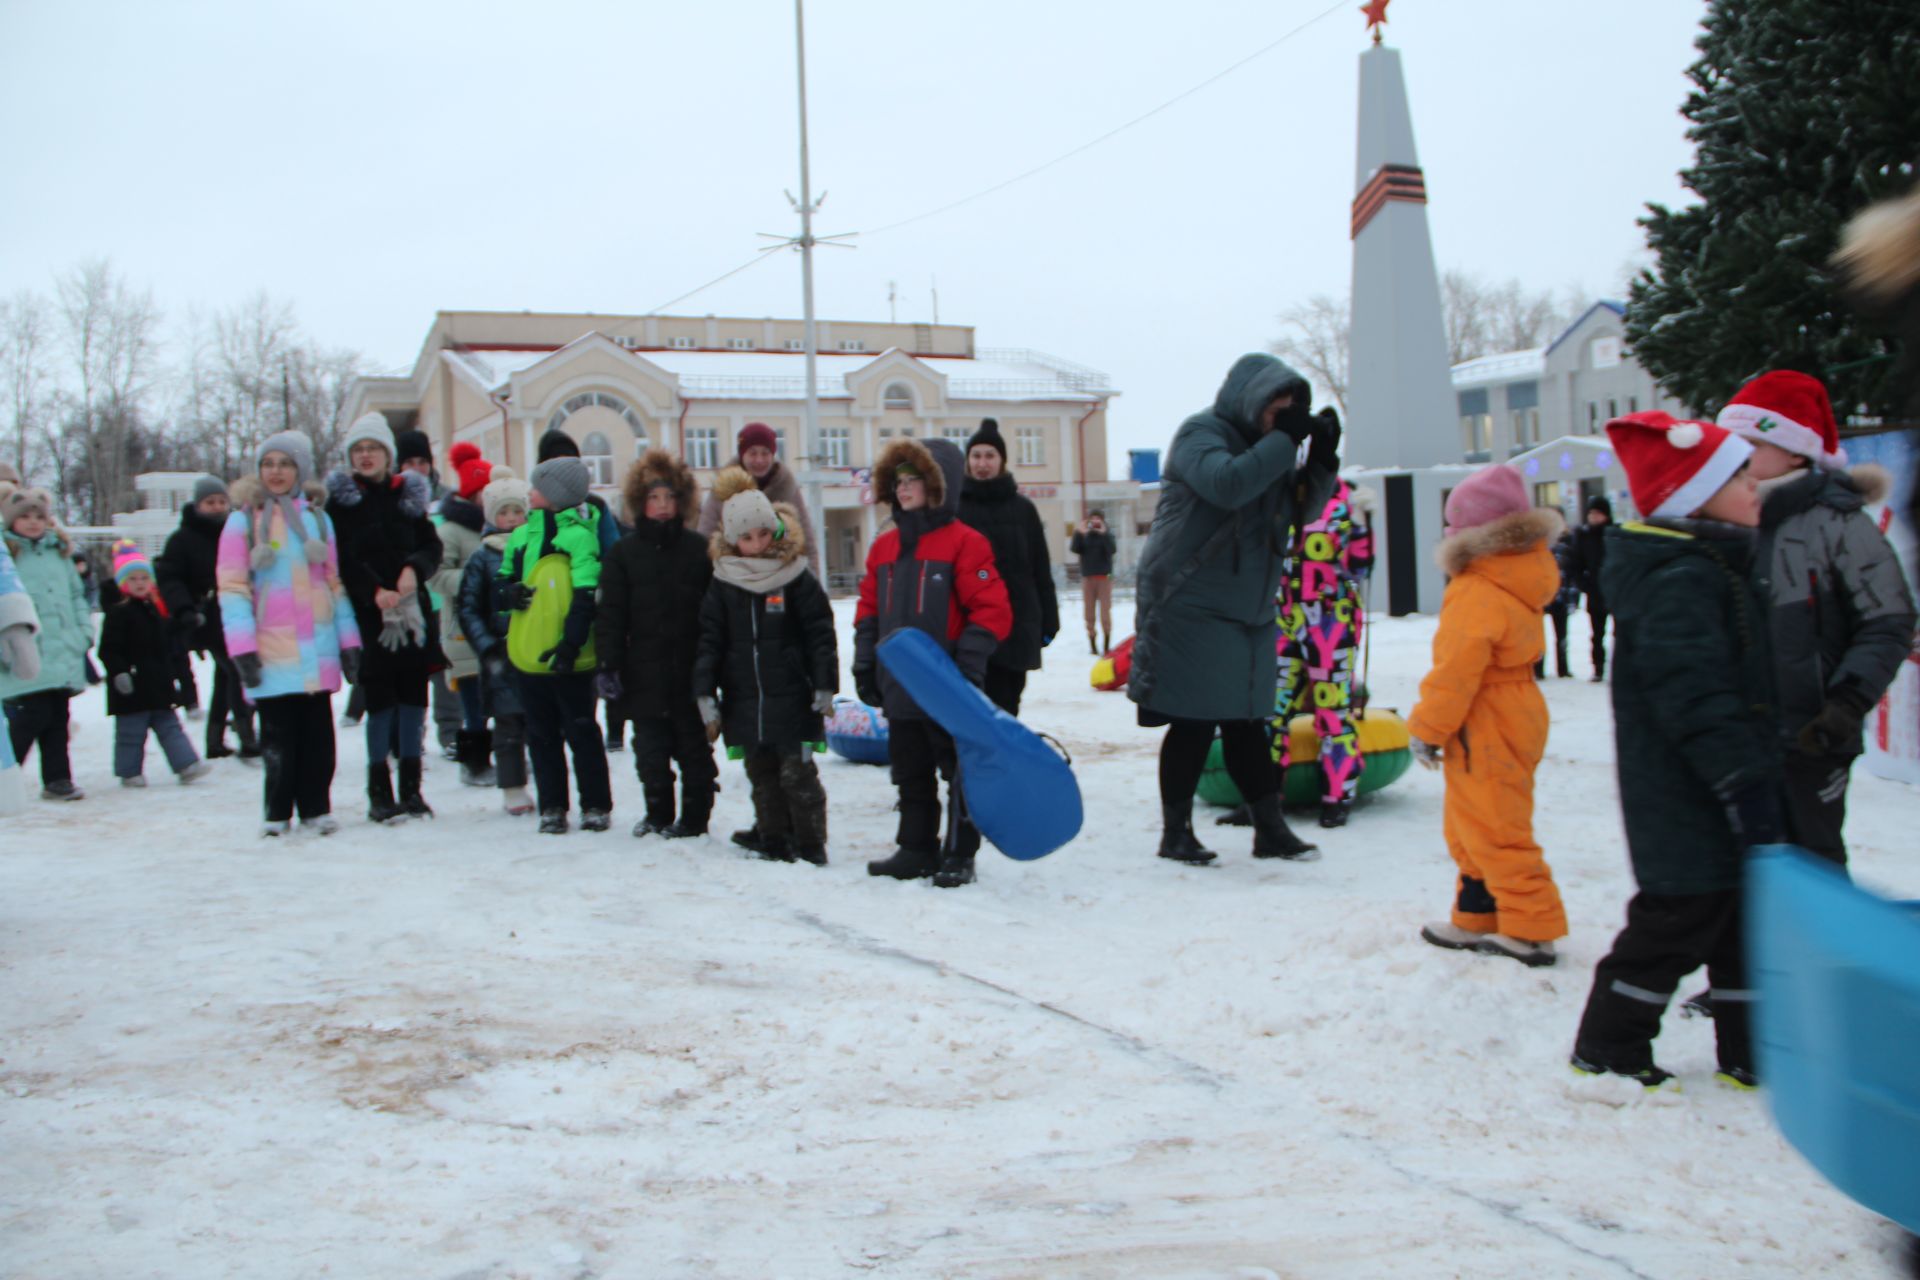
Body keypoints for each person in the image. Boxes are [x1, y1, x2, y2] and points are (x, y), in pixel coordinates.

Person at [1569, 411, 1780, 1089]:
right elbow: (1694, 698)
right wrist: (1742, 782)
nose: (1755, 489)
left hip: (1716, 786)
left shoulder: (1714, 563)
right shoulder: (1679, 579)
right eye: (1739, 477)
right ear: (1694, 495)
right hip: (1684, 793)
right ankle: (1609, 1045)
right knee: (1676, 921)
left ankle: (1754, 1049)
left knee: (1741, 923)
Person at [1127, 352, 1337, 866]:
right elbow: (1228, 484)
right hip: (1189, 599)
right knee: (1194, 720)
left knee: (1248, 720)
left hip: (1249, 607)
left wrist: (1323, 460)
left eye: (1292, 409)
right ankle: (1175, 834)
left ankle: (1270, 829)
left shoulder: (1274, 448)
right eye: (1276, 406)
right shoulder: (1202, 433)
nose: (1283, 417)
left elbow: (1300, 510)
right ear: (1251, 398)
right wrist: (1285, 440)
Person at [1715, 371, 1916, 870]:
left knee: (1814, 862)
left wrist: (1846, 703)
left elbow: (1889, 620)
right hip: (1741, 731)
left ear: (1796, 452)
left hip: (1813, 735)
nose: (1738, 456)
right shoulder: (1727, 517)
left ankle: (1826, 950)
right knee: (1744, 862)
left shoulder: (1839, 523)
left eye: (1752, 443)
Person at [1409, 465, 1568, 966]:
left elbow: (1456, 670)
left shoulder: (1478, 587)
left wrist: (1427, 729)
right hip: (1514, 705)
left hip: (1486, 713)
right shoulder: (1520, 574)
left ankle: (1531, 926)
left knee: (1496, 825)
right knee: (1473, 819)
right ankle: (1478, 913)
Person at [853, 437, 1011, 888]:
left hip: (948, 686)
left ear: (939, 486)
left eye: (914, 481)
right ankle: (916, 847)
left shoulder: (966, 543)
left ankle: (959, 853)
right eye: (898, 481)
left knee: (959, 770)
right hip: (901, 684)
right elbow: (869, 609)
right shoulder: (884, 546)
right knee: (909, 770)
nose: (903, 490)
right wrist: (866, 662)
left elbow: (992, 609)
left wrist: (970, 665)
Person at [218, 430, 363, 836]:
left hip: (316, 647)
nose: (276, 472)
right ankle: (277, 811)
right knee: (279, 738)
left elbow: (333, 583)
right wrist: (243, 647)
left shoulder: (318, 519)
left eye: (285, 463)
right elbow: (232, 587)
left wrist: (348, 640)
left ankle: (316, 807)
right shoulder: (242, 521)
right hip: (270, 647)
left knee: (318, 737)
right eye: (268, 463)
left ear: (299, 469)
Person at [694, 467, 839, 864]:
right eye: (746, 537)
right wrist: (704, 690)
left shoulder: (796, 577)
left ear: (775, 530)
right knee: (762, 776)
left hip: (794, 698)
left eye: (763, 533)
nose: (756, 544)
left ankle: (811, 844)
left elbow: (819, 633)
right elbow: (710, 640)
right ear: (732, 540)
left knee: (798, 775)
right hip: (746, 700)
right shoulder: (724, 583)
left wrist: (824, 684)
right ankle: (773, 839)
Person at [326, 412, 445, 824]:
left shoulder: (407, 496)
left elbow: (431, 546)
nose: (365, 456)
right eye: (358, 450)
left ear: (387, 454)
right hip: (370, 615)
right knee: (380, 701)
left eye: (372, 448)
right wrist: (373, 590)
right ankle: (379, 791)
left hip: (412, 613)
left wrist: (414, 569)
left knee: (414, 698)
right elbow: (340, 556)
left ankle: (412, 789)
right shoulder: (340, 504)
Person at [596, 449, 716, 840]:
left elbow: (715, 614)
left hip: (689, 671)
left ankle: (695, 819)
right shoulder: (623, 554)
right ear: (639, 503)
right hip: (642, 672)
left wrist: (714, 666)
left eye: (669, 497)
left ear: (682, 501)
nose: (662, 506)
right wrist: (609, 665)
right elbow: (611, 615)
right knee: (650, 752)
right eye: (653, 498)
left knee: (694, 751)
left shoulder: (699, 550)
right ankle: (658, 814)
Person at [498, 455, 612, 834]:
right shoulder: (521, 536)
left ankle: (595, 804)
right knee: (541, 735)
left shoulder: (580, 536)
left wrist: (571, 646)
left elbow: (585, 595)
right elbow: (500, 582)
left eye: (536, 488)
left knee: (582, 732)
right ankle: (552, 806)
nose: (529, 493)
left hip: (571, 658)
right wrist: (507, 593)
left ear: (554, 494)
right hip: (530, 653)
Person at [1272, 473, 1374, 830]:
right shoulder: (1276, 497)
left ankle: (1338, 796)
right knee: (1269, 713)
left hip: (1331, 621)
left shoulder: (1342, 502)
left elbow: (1362, 566)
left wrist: (1361, 526)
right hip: (1283, 618)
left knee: (1331, 711)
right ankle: (1265, 799)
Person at [956, 417, 1058, 715]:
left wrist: (1049, 620)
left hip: (1017, 626)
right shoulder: (956, 509)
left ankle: (1001, 763)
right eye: (976, 456)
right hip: (970, 630)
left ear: (1002, 461)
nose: (982, 463)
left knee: (1007, 708)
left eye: (990, 456)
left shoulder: (1023, 509)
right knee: (973, 711)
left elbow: (1040, 568)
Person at [156, 474, 259, 760]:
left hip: (236, 613)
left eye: (221, 501)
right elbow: (170, 577)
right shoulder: (182, 539)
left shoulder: (237, 531)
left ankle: (215, 739)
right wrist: (184, 609)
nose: (216, 507)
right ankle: (248, 736)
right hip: (206, 618)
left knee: (226, 676)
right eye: (210, 502)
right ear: (198, 504)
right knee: (238, 672)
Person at [0, 482, 92, 800]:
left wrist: (83, 632)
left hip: (62, 649)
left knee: (57, 716)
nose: (32, 522)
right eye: (24, 516)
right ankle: (5, 775)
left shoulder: (59, 553)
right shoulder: (6, 555)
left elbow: (77, 595)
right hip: (24, 652)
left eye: (38, 515)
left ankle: (58, 779)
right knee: (29, 714)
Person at [99, 540, 213, 788]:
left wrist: (187, 622)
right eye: (133, 579)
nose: (139, 583)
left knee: (170, 726)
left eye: (143, 578)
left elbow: (165, 639)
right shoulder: (118, 614)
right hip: (131, 685)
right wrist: (119, 672)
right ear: (122, 584)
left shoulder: (153, 610)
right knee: (131, 733)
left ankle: (186, 764)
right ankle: (129, 772)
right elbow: (108, 649)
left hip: (158, 683)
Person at [457, 469, 534, 816]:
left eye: (518, 512)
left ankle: (546, 781)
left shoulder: (538, 548)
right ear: (492, 516)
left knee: (541, 722)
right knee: (507, 725)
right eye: (504, 512)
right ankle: (513, 786)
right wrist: (486, 645)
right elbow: (468, 606)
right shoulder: (482, 556)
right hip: (500, 654)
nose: (511, 519)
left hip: (536, 649)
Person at [431, 442, 496, 787]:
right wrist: (476, 580)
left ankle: (505, 754)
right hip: (462, 627)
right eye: (484, 490)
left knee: (498, 694)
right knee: (472, 700)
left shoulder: (498, 525)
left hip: (496, 626)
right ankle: (474, 762)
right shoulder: (450, 531)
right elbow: (438, 575)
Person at [695, 421, 821, 576]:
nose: (759, 460)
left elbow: (806, 539)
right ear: (742, 455)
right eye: (753, 453)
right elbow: (706, 534)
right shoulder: (723, 488)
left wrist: (813, 577)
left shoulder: (787, 486)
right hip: (736, 576)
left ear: (773, 455)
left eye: (765, 453)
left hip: (781, 576)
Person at [1569, 494, 1613, 681]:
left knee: (1622, 633)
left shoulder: (1614, 535)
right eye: (1591, 513)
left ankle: (1622, 669)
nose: (1594, 517)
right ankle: (1598, 668)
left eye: (1598, 513)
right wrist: (1584, 585)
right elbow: (1575, 565)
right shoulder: (1583, 537)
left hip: (1616, 590)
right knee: (1597, 634)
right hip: (1595, 591)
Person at [1069, 510, 1118, 655]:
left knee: (1105, 611)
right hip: (1088, 578)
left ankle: (1107, 644)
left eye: (1098, 519)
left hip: (1104, 578)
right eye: (1093, 519)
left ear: (1103, 520)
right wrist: (1078, 533)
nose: (1096, 521)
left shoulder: (1107, 534)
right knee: (1089, 612)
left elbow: (1112, 549)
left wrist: (1104, 534)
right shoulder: (1085, 535)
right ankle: (1092, 643)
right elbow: (1075, 549)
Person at [1534, 528, 1578, 680]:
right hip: (1542, 599)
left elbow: (1572, 576)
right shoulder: (1537, 551)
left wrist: (1573, 598)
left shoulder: (1567, 550)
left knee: (1562, 636)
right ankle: (1538, 669)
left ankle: (1563, 668)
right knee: (1539, 637)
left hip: (1561, 598)